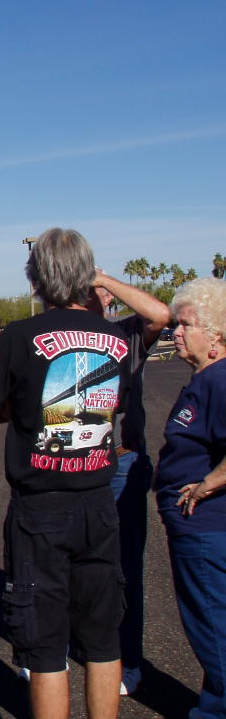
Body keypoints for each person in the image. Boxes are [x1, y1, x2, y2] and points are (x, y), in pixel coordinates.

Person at [0, 228, 129, 719]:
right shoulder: (115, 338)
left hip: (40, 507)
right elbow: (113, 404)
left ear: (36, 277)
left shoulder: (20, 336)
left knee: (45, 646)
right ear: (87, 275)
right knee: (102, 638)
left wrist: (16, 413)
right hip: (99, 500)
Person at [90, 270, 171, 696]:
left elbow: (160, 315)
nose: (96, 297)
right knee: (70, 565)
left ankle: (128, 660)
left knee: (125, 569)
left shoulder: (127, 335)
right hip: (73, 465)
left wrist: (103, 278)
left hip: (121, 462)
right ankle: (60, 652)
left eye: (100, 292)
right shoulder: (57, 336)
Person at [154, 276, 226, 719]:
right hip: (200, 529)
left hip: (207, 528)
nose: (176, 332)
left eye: (186, 324)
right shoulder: (204, 378)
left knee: (213, 630)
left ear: (215, 335)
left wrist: (208, 483)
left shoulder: (220, 379)